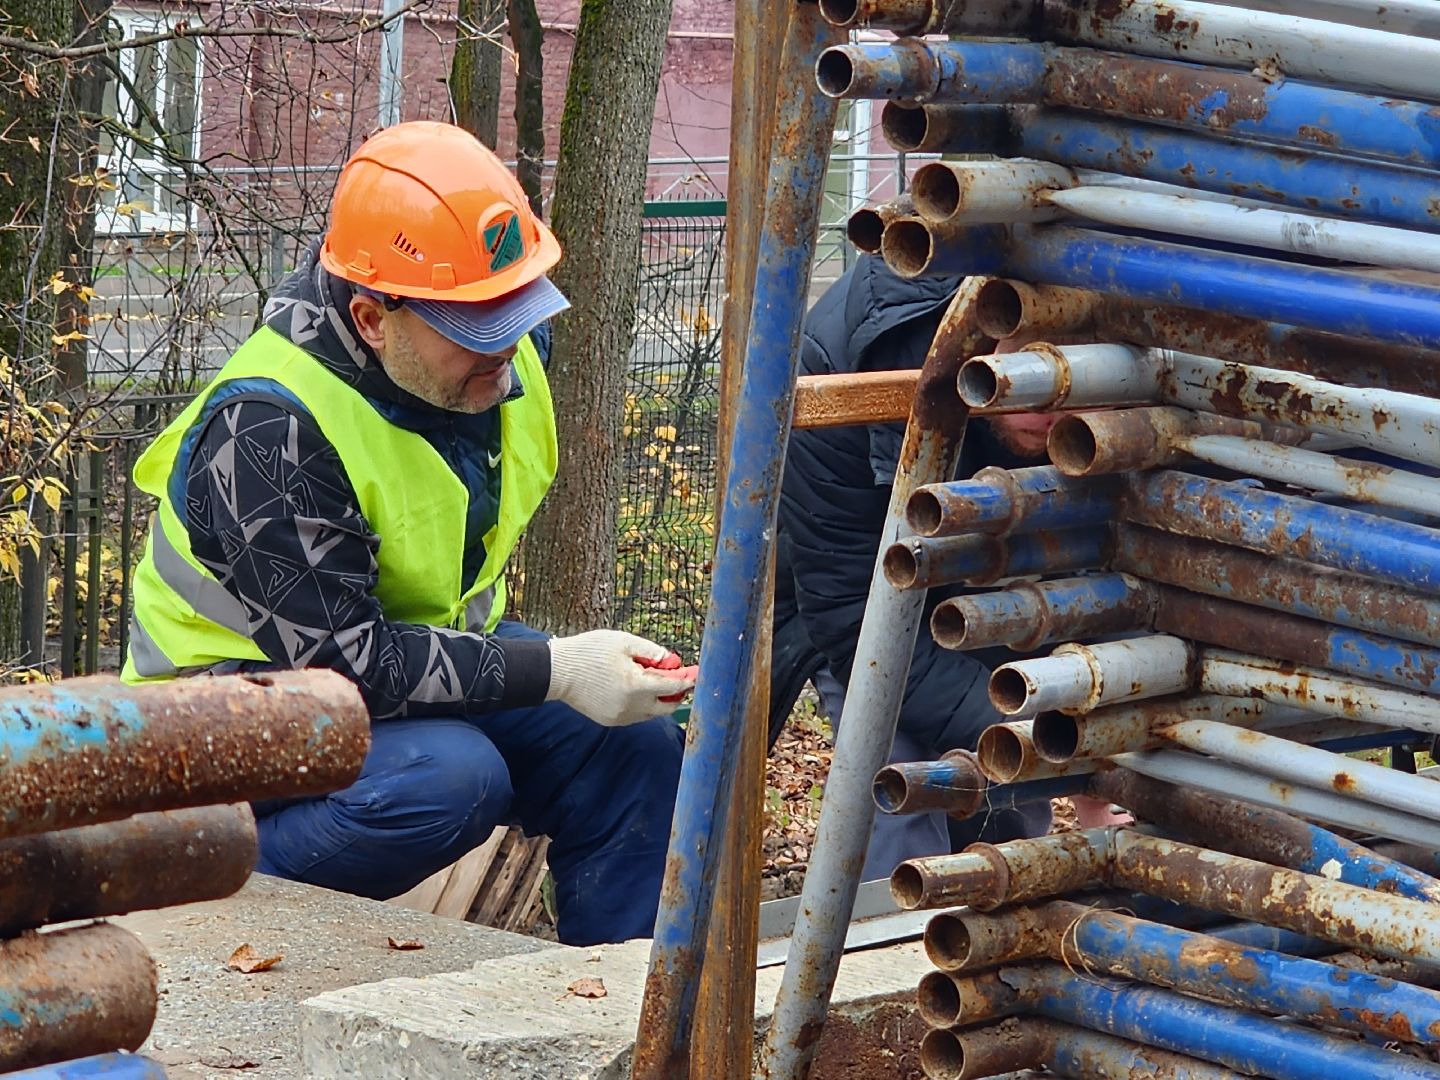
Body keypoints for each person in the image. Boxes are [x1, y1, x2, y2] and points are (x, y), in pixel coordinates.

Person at [121, 121, 693, 947]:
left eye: (519, 313)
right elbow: (345, 670)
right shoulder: (269, 427)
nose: (509, 354)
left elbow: (422, 622)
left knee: (631, 745)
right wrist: (559, 669)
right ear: (373, 317)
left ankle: (612, 1009)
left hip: (404, 667)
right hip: (217, 719)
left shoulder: (490, 357)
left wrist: (582, 681)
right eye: (476, 333)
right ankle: (197, 887)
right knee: (448, 778)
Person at [771, 254, 1056, 882]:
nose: (1047, 397)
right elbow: (849, 614)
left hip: (1016, 606)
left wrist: (1067, 742)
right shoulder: (844, 362)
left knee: (1011, 825)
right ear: (981, 328)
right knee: (892, 800)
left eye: (1070, 362)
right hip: (866, 608)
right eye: (1026, 358)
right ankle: (885, 959)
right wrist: (1031, 734)